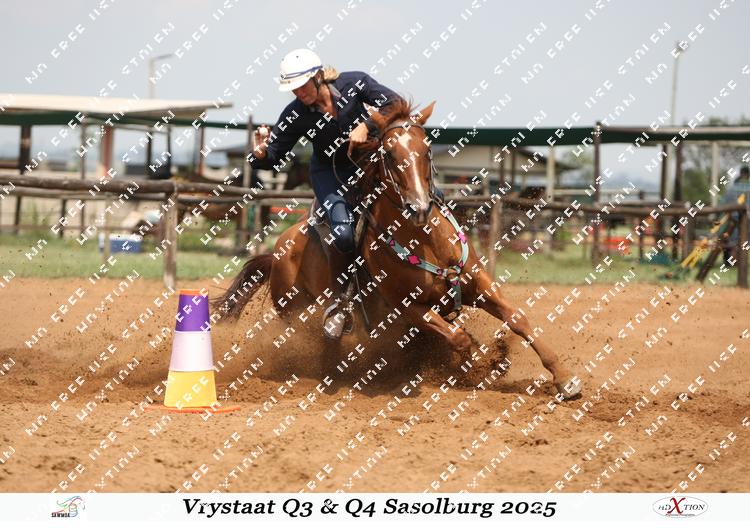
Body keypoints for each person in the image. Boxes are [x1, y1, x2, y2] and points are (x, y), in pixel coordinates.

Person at [250, 48, 403, 339]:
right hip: (329, 175)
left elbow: (395, 103)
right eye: (293, 88)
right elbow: (273, 154)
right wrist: (259, 154)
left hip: (369, 164)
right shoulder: (295, 113)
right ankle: (339, 303)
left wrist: (367, 125)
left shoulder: (355, 82)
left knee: (417, 198)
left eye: (302, 85)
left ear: (319, 76)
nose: (299, 92)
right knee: (343, 234)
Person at [720, 165, 750, 267]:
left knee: (733, 243)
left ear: (741, 174)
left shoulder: (731, 189)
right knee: (745, 243)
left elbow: (723, 206)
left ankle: (733, 263)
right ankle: (741, 265)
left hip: (733, 222)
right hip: (748, 222)